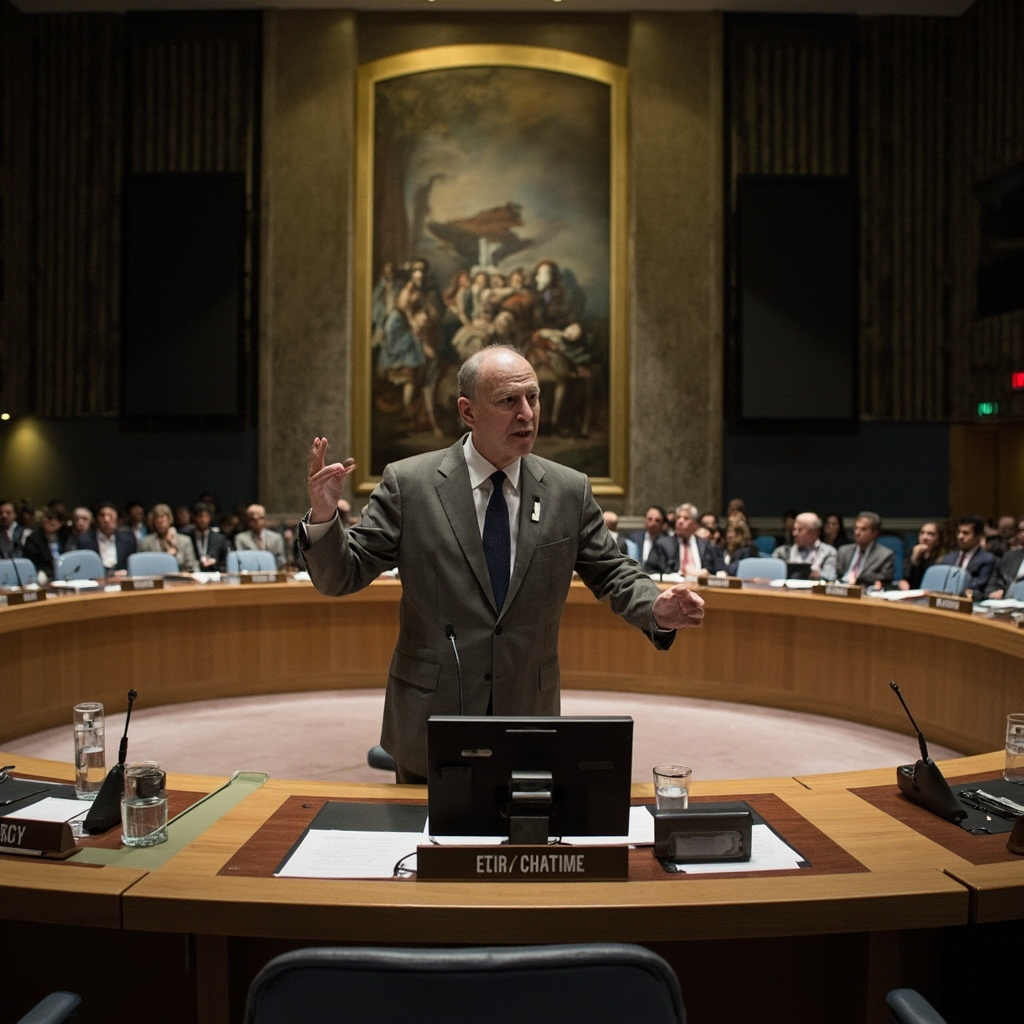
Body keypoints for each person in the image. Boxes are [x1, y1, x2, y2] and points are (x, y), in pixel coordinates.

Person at [301, 345, 704, 783]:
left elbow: (612, 570)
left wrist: (654, 606)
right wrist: (324, 518)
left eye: (533, 397)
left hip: (528, 710)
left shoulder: (568, 490)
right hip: (432, 715)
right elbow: (342, 575)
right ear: (468, 411)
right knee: (429, 845)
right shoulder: (409, 484)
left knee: (523, 842)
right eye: (509, 401)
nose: (527, 413)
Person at [645, 502, 728, 578]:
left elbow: (721, 570)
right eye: (678, 518)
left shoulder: (705, 545)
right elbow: (649, 571)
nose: (680, 521)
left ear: (695, 524)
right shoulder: (662, 544)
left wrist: (707, 574)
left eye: (686, 518)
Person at [940, 515, 997, 596]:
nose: (960, 537)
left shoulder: (986, 559)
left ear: (979, 536)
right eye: (958, 532)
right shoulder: (949, 557)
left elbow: (979, 586)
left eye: (965, 533)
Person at [835, 512, 895, 589]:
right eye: (856, 528)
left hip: (863, 591)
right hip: (839, 589)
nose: (857, 533)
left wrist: (859, 579)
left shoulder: (885, 555)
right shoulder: (843, 551)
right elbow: (836, 574)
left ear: (874, 533)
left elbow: (886, 577)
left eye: (863, 529)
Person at [75, 500, 137, 575]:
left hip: (122, 581)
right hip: (96, 582)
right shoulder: (84, 540)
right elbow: (84, 567)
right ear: (96, 519)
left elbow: (133, 566)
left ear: (117, 518)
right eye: (102, 515)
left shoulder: (128, 539)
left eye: (110, 515)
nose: (106, 519)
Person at [772, 512, 837, 581]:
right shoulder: (781, 552)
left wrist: (816, 575)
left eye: (800, 530)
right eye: (794, 529)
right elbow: (772, 574)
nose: (795, 533)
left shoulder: (829, 552)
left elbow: (830, 576)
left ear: (814, 532)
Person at [139, 503, 199, 572]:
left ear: (169, 519)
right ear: (153, 521)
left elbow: (192, 565)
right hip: (157, 578)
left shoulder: (184, 541)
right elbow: (144, 567)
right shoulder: (145, 543)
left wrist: (176, 554)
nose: (160, 521)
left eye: (163, 518)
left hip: (181, 579)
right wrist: (166, 558)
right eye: (157, 519)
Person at [22, 508, 72, 582]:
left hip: (66, 574)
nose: (52, 522)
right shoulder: (33, 538)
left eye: (57, 519)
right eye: (49, 518)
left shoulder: (65, 536)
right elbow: (33, 562)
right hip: (43, 576)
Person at [234, 503, 287, 568]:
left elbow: (281, 560)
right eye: (253, 519)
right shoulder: (241, 538)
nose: (256, 522)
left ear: (264, 519)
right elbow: (241, 560)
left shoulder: (276, 538)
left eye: (260, 518)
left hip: (273, 572)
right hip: (251, 572)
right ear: (248, 520)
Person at [897, 521, 945, 590]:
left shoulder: (943, 557)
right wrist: (914, 559)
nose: (925, 537)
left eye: (930, 534)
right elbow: (905, 577)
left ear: (938, 539)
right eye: (922, 533)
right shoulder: (912, 552)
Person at [183, 501, 229, 572]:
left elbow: (225, 562)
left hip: (214, 574)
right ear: (194, 517)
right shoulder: (187, 537)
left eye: (206, 516)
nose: (203, 520)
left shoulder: (219, 538)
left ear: (210, 517)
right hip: (192, 575)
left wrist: (215, 562)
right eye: (200, 516)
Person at [985, 516, 1024, 598]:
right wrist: (993, 593)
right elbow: (995, 583)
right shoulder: (1010, 556)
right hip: (1007, 605)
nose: (1023, 534)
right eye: (1021, 531)